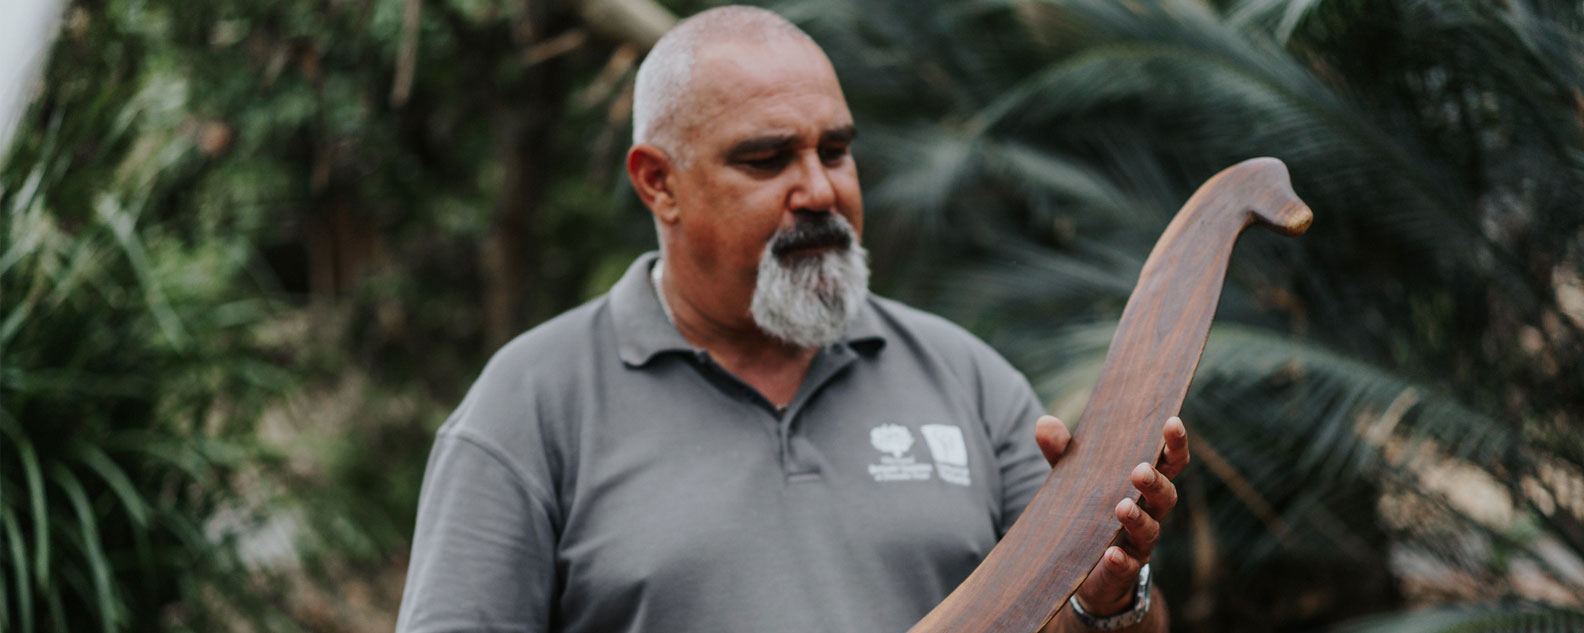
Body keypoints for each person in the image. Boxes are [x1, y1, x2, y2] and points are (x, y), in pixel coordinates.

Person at [394, 6, 1189, 633]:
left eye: (835, 150)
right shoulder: (530, 404)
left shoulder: (967, 379)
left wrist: (1108, 596)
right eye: (767, 159)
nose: (820, 190)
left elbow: (1095, 628)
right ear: (657, 183)